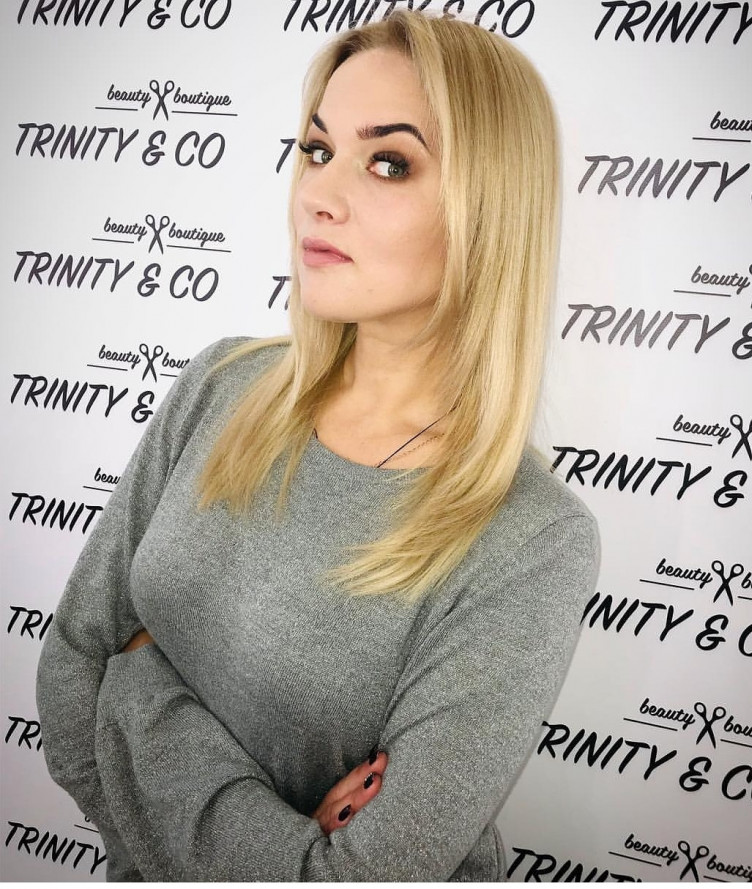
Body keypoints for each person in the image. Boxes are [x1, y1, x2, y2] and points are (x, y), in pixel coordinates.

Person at [36, 10, 599, 882]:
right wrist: (282, 839)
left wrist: (135, 683)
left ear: (489, 209)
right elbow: (72, 670)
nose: (317, 194)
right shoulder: (222, 384)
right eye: (317, 148)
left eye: (388, 162)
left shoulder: (532, 537)